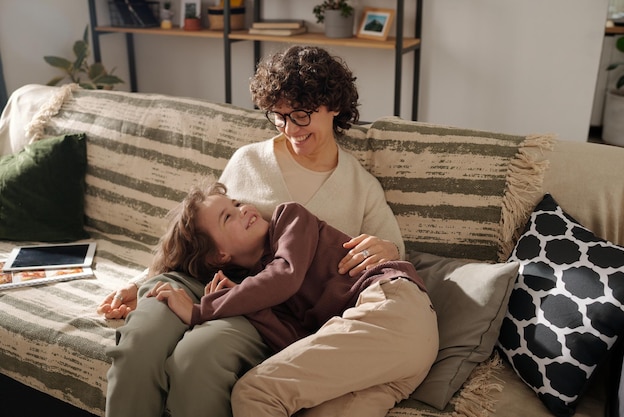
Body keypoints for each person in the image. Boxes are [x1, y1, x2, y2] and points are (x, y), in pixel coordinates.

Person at [98, 45, 406, 417]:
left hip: (264, 305)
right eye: (278, 116)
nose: (290, 128)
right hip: (201, 277)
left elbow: (392, 255)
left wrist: (386, 249)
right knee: (140, 344)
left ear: (334, 105)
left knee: (198, 360)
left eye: (301, 115)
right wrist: (144, 280)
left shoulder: (361, 188)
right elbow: (201, 230)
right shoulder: (248, 160)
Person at [148, 182, 438, 417]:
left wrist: (202, 310)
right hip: (394, 363)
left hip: (390, 307)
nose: (244, 209)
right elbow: (294, 344)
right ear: (218, 256)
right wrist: (251, 309)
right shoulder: (255, 290)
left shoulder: (289, 219)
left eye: (236, 204)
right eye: (228, 217)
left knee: (255, 394)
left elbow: (285, 276)